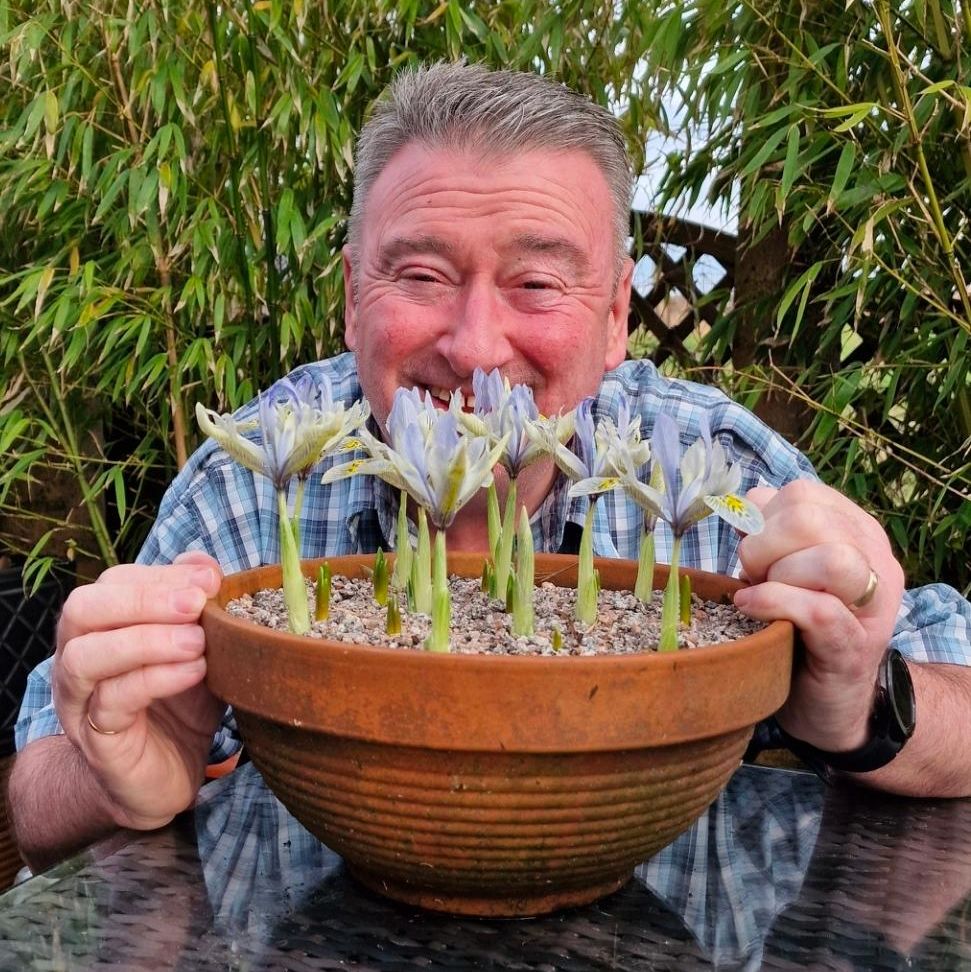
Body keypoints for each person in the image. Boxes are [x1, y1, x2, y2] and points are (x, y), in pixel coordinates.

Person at [10, 62, 971, 873]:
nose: (474, 348)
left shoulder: (710, 468)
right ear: (351, 298)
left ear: (614, 320)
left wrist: (863, 704)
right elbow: (34, 794)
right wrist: (120, 771)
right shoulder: (257, 475)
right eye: (420, 276)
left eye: (536, 283)